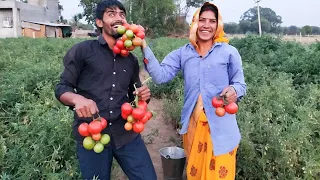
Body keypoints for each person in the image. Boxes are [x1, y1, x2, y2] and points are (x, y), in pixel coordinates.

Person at [140, 2, 246, 179]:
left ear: (218, 25)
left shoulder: (229, 52)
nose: (206, 25)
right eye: (201, 20)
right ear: (194, 23)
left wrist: (234, 90)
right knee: (195, 173)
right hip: (193, 126)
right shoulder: (183, 53)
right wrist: (143, 46)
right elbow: (160, 76)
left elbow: (240, 84)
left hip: (221, 128)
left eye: (212, 21)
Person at [54, 0, 157, 179]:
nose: (118, 18)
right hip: (92, 135)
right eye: (111, 14)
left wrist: (143, 96)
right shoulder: (83, 51)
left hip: (125, 133)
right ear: (99, 22)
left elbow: (135, 92)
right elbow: (62, 87)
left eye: (122, 14)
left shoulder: (131, 60)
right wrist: (78, 100)